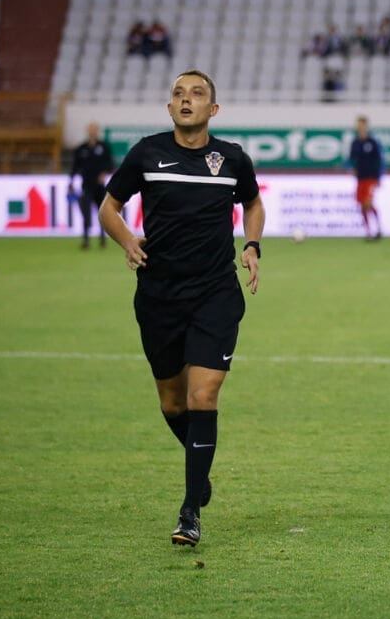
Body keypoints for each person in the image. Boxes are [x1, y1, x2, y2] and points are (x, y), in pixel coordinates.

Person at [98, 70, 266, 547]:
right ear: (169, 107)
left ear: (213, 109)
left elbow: (253, 204)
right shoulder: (147, 154)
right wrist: (128, 240)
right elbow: (109, 206)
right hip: (159, 295)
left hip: (215, 293)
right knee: (172, 403)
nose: (186, 99)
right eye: (178, 94)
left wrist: (252, 246)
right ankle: (201, 471)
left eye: (197, 94)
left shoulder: (232, 159)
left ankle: (190, 508)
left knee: (203, 396)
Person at [70, 121, 115, 249]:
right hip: (86, 186)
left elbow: (110, 164)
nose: (92, 132)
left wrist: (104, 173)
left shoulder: (104, 147)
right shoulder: (81, 149)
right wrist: (71, 182)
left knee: (102, 214)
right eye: (90, 129)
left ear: (97, 131)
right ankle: (86, 240)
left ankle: (102, 239)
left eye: (94, 129)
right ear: (88, 131)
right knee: (86, 213)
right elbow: (75, 167)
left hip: (99, 187)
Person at [347, 116, 384, 240]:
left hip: (371, 178)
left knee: (368, 203)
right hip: (360, 178)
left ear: (366, 126)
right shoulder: (355, 143)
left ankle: (378, 229)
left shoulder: (372, 142)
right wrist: (351, 169)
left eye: (361, 125)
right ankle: (368, 232)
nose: (360, 127)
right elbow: (351, 159)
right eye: (358, 125)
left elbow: (379, 160)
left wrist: (378, 177)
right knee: (362, 205)